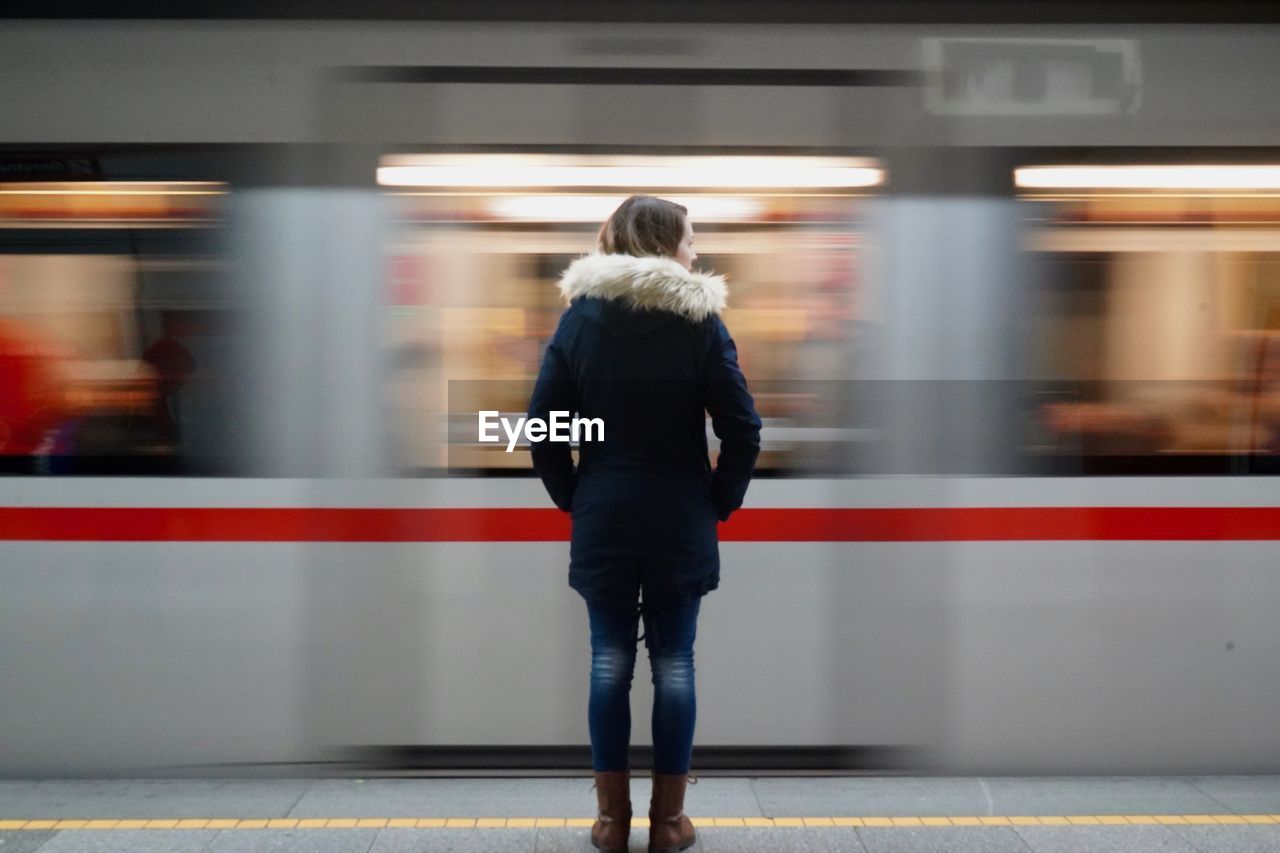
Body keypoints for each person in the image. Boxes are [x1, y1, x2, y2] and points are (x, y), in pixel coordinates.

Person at [527, 195, 761, 853]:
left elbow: (544, 428)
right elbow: (742, 428)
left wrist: (577, 496)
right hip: (678, 518)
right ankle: (667, 822)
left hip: (605, 516)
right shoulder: (700, 323)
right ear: (664, 245)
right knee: (675, 663)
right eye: (690, 240)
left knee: (608, 662)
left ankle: (610, 823)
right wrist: (717, 499)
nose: (696, 253)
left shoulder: (578, 323)